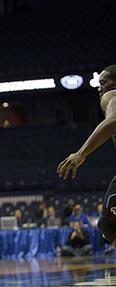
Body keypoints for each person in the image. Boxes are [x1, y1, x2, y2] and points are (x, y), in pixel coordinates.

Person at [57, 64, 116, 247]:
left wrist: (81, 153)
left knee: (108, 225)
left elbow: (113, 121)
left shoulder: (112, 96)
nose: (99, 88)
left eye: (103, 82)